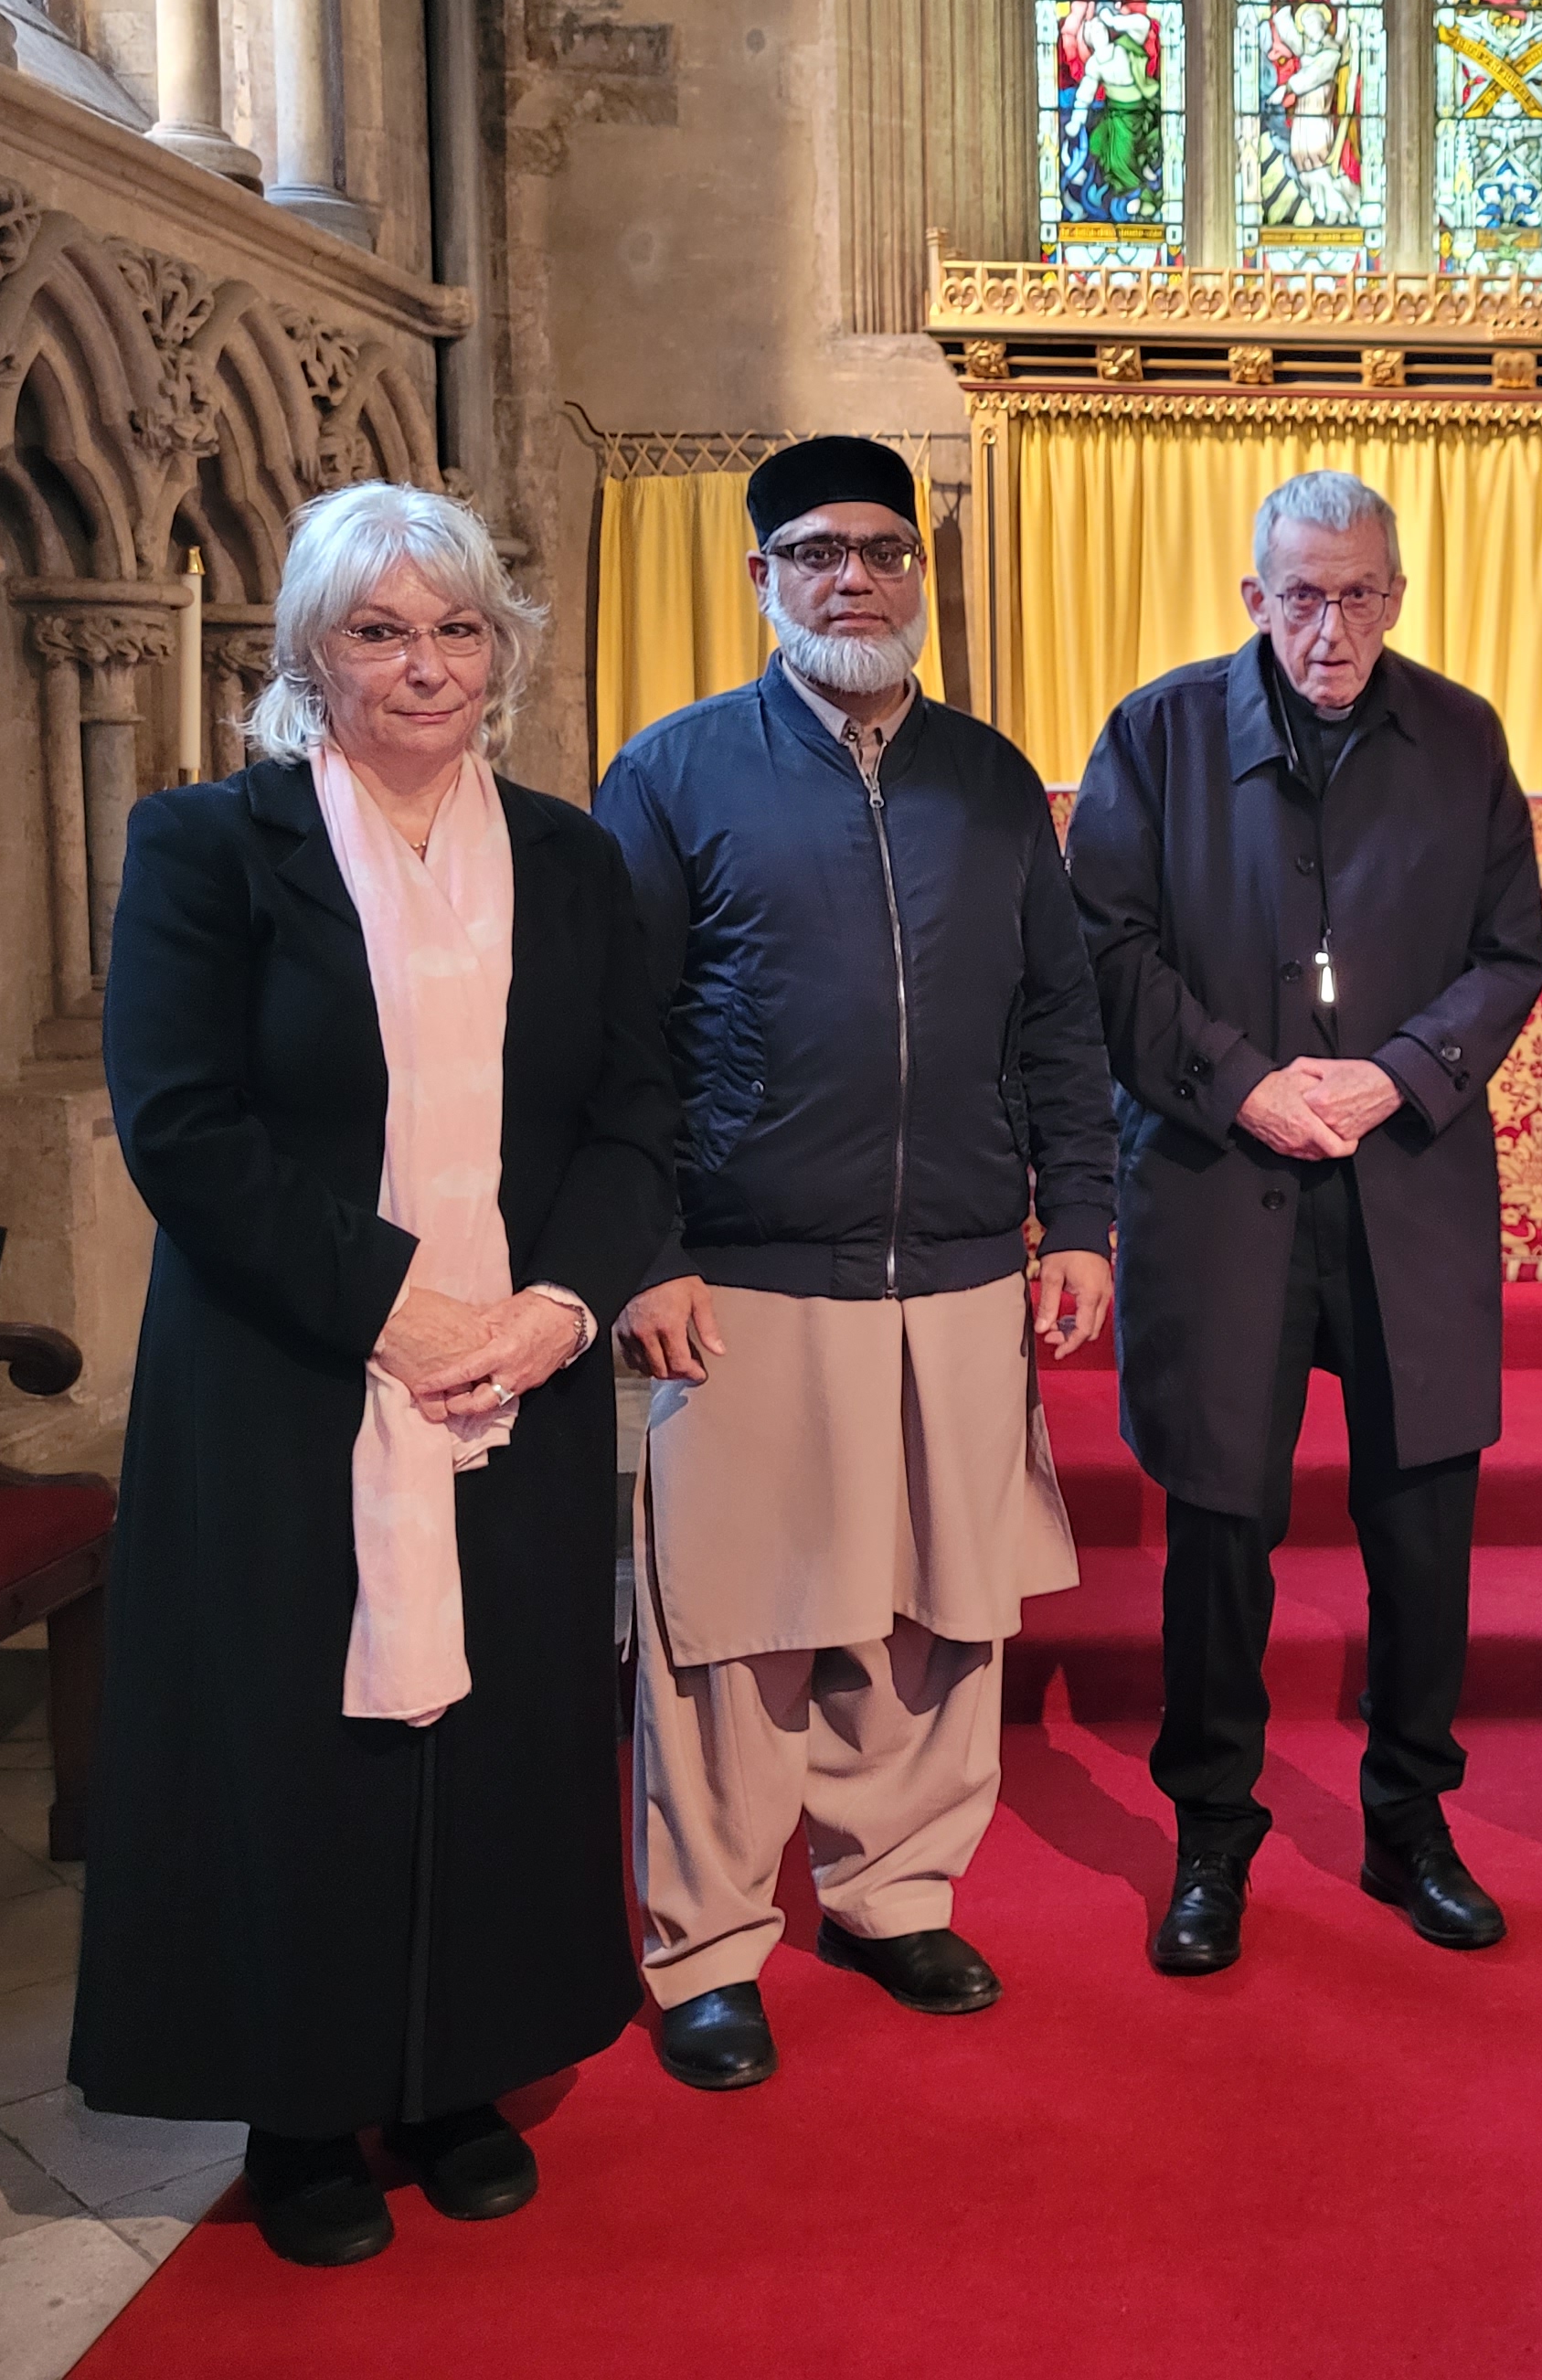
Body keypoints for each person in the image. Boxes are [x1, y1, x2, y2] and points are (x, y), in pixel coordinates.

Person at [71, 483, 676, 2268]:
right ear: (307, 654)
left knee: (500, 1732)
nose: (427, 665)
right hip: (286, 1379)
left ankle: (461, 2073)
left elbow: (635, 1115)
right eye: (381, 631)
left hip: (522, 1378)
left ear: (503, 649)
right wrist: (396, 1311)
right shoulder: (209, 847)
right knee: (297, 1736)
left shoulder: (573, 858)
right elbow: (181, 1121)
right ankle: (301, 2100)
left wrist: (560, 1308)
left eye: (458, 628)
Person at [597, 435, 1115, 2093]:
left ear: (921, 573)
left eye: (884, 550)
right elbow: (614, 1050)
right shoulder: (673, 774)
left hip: (959, 1260)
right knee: (733, 1626)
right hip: (745, 1271)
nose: (855, 578)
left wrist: (1084, 1219)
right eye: (817, 552)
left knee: (937, 1610)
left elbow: (1058, 1017)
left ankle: (895, 1893)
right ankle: (711, 1943)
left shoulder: (984, 777)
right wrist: (647, 1253)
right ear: (761, 578)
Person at [1067, 470, 1542, 1976]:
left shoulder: (1462, 738)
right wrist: (1243, 1084)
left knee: (1423, 1529)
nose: (1329, 627)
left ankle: (1412, 1822)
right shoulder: (1153, 735)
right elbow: (1108, 950)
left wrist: (1399, 1077)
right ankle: (1214, 1834)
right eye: (1301, 594)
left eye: (1358, 595)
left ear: (1395, 597)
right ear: (1252, 597)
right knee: (1221, 1531)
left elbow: (1506, 952)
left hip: (1403, 1179)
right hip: (1223, 1180)